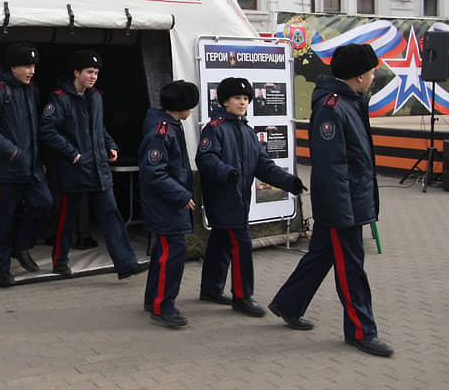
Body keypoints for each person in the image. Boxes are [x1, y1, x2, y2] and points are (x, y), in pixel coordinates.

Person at [269, 43, 393, 357]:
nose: (375, 73)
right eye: (372, 69)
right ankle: (361, 332)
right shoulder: (333, 106)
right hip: (342, 206)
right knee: (351, 270)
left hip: (347, 201)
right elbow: (331, 166)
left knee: (320, 256)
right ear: (359, 75)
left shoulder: (351, 101)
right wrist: (342, 212)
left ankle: (288, 304)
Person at [195, 77, 306, 317]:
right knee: (242, 246)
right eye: (237, 98)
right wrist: (228, 173)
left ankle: (211, 289)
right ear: (224, 101)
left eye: (246, 99)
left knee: (221, 242)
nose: (243, 102)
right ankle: (242, 297)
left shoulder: (247, 131)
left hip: (239, 200)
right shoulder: (214, 129)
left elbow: (263, 165)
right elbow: (206, 160)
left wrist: (289, 182)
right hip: (224, 199)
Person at [40, 49, 141, 279]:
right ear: (76, 72)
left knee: (112, 216)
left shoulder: (96, 96)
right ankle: (60, 261)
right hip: (74, 170)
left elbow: (99, 128)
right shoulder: (59, 98)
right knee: (68, 219)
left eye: (96, 72)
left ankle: (126, 263)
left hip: (98, 169)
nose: (93, 76)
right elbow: (47, 130)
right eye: (89, 72)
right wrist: (71, 153)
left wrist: (111, 145)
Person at [0, 43, 53, 286]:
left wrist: (41, 159)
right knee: (5, 219)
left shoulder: (32, 90)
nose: (32, 71)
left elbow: (35, 128)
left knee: (44, 203)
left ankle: (21, 246)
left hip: (32, 167)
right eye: (27, 66)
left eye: (34, 66)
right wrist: (12, 151)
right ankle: (2, 269)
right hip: (8, 169)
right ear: (13, 67)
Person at [138, 80, 200, 327]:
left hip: (167, 203)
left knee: (162, 254)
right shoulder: (161, 131)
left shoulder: (170, 125)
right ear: (183, 106)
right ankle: (164, 306)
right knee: (171, 255)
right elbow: (154, 171)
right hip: (165, 205)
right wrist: (181, 195)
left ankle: (153, 299)